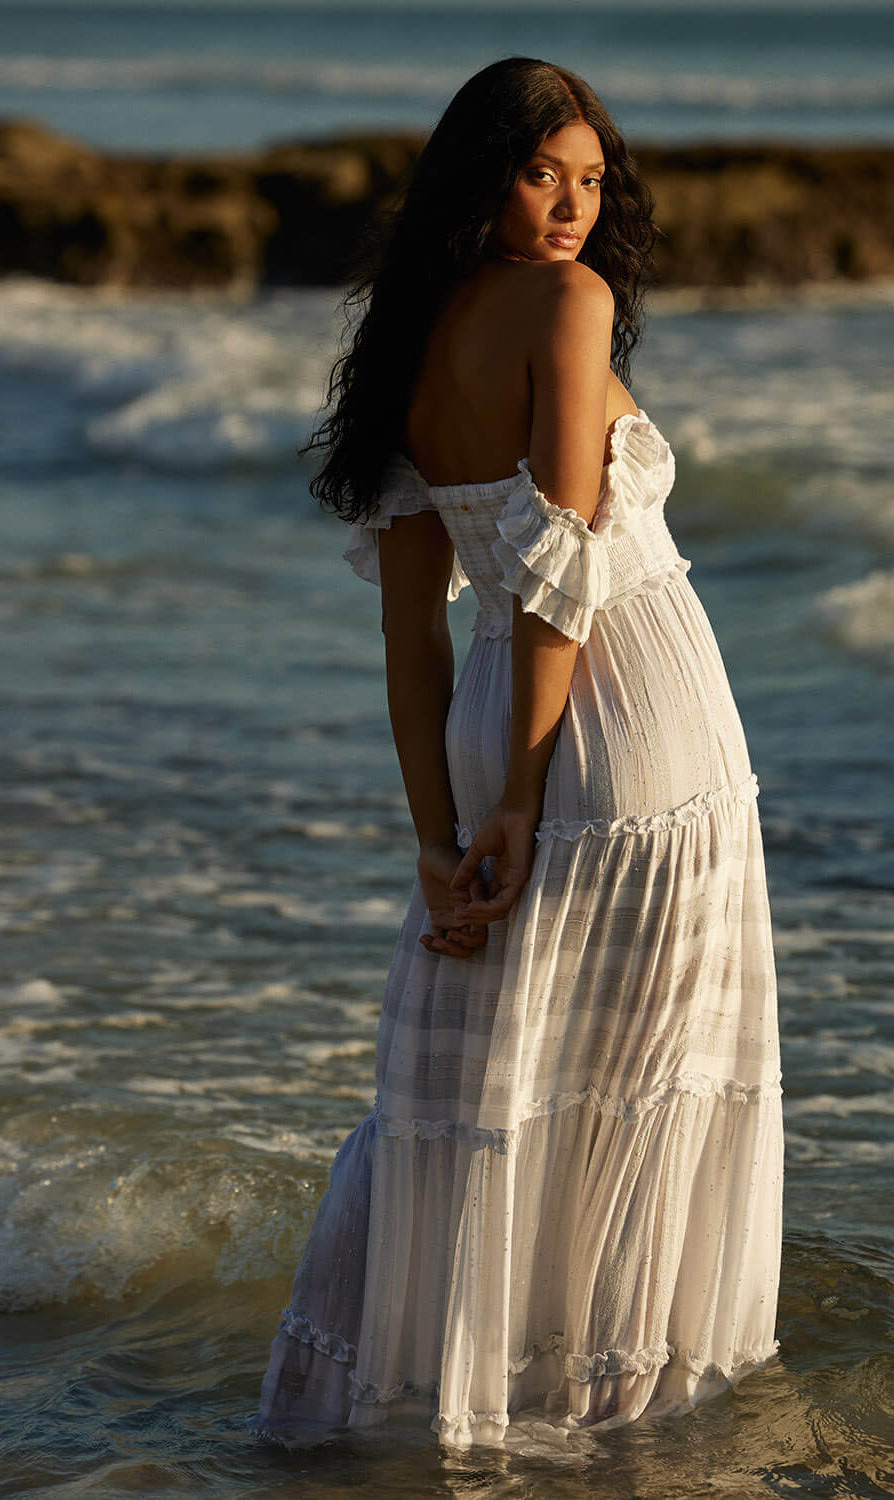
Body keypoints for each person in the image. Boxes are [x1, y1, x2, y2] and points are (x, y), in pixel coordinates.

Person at [254, 57, 784, 1452]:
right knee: (637, 1070)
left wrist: (439, 833)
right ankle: (613, 1408)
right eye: (541, 174)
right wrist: (520, 801)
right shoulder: (571, 305)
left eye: (591, 180)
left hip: (495, 710)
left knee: (504, 1064)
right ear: (480, 176)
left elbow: (414, 639)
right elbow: (567, 578)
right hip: (630, 726)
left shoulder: (409, 335)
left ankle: (429, 1392)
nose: (570, 207)